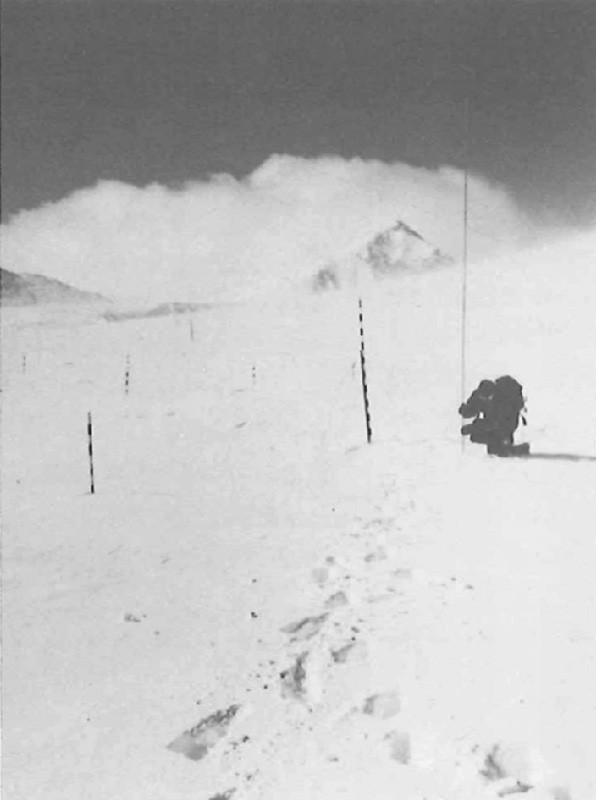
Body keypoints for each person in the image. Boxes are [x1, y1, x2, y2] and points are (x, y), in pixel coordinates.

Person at [459, 375, 526, 454]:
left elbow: (495, 423)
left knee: (499, 449)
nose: (487, 399)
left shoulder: (503, 401)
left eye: (489, 397)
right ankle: (504, 445)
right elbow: (472, 409)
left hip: (506, 424)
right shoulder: (478, 396)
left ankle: (512, 446)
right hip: (490, 422)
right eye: (484, 397)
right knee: (477, 438)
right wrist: (465, 411)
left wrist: (472, 428)